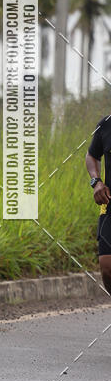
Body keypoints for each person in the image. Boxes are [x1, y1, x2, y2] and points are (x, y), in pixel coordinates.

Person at [85, 116, 111, 293]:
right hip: (110, 204)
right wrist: (97, 182)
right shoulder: (105, 124)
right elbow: (92, 155)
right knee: (106, 266)